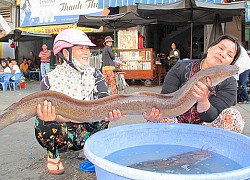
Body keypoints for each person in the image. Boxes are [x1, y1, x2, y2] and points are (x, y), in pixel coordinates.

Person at [34, 29, 122, 175]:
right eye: (81, 48)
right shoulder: (49, 80)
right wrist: (61, 116)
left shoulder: (95, 75)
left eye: (87, 48)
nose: (87, 52)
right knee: (42, 117)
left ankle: (91, 151)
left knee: (103, 112)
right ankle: (53, 155)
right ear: (66, 53)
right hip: (63, 135)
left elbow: (103, 101)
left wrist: (111, 112)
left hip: (87, 131)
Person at [144, 34, 244, 133]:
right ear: (209, 48)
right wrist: (154, 114)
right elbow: (164, 98)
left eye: (229, 55)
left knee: (233, 117)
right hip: (174, 123)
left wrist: (203, 100)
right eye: (221, 48)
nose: (223, 54)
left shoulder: (230, 84)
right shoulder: (180, 68)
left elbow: (211, 116)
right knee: (156, 116)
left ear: (230, 63)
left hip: (207, 128)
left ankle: (208, 145)